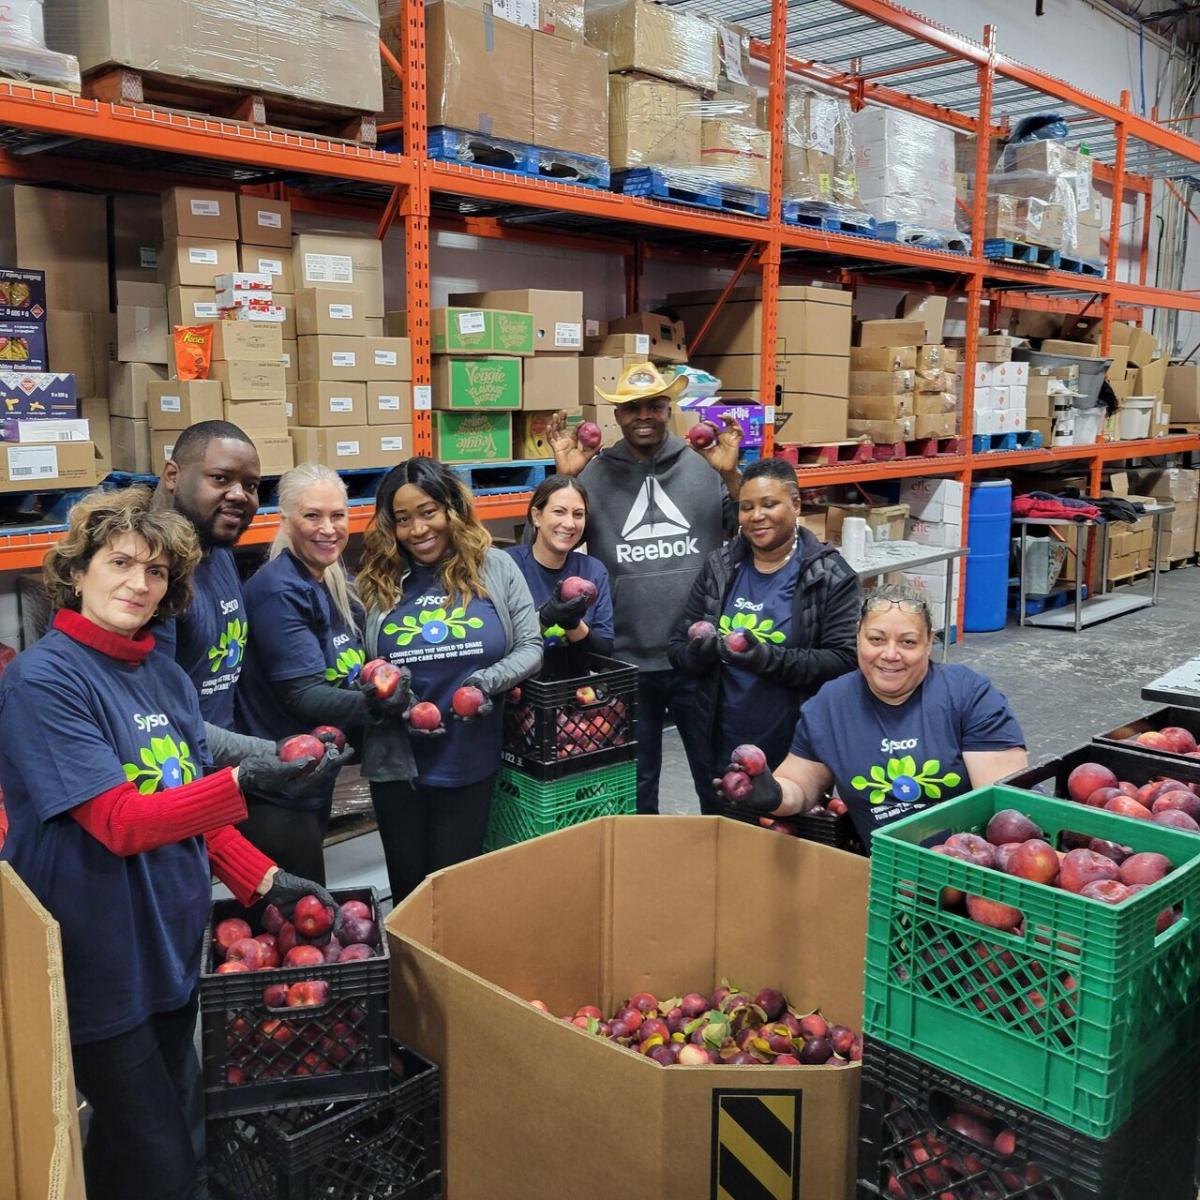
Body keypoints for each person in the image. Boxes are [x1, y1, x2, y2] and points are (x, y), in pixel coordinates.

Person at [0, 488, 333, 1200]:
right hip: (100, 957)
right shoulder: (44, 682)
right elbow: (121, 820)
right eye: (119, 562)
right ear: (77, 571)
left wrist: (265, 880)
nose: (137, 583)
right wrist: (246, 780)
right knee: (167, 1164)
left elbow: (190, 809)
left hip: (170, 946)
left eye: (156, 572)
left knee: (138, 1145)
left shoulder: (164, 676)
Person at [546, 362, 741, 814]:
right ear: (617, 416)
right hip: (624, 660)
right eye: (632, 408)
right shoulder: (593, 475)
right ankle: (642, 874)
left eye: (655, 405)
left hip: (695, 656)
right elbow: (553, 549)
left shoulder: (705, 465)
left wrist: (731, 477)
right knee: (636, 787)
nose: (644, 416)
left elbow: (748, 535)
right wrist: (567, 479)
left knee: (715, 778)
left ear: (669, 408)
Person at [356, 457, 542, 902]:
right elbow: (361, 666)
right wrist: (384, 692)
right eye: (403, 520)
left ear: (451, 510)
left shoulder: (495, 567)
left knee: (454, 894)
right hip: (399, 765)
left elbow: (531, 647)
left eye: (428, 512)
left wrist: (484, 683)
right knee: (408, 895)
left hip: (468, 756)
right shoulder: (375, 583)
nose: (418, 529)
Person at [721, 584, 1028, 849]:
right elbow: (799, 788)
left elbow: (1002, 809)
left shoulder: (968, 695)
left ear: (928, 643)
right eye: (876, 639)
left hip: (969, 873)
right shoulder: (831, 705)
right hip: (885, 877)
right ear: (858, 637)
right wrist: (771, 793)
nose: (890, 654)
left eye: (907, 642)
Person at [154, 422, 349, 830]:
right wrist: (271, 752)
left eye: (251, 484)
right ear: (172, 476)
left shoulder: (218, 552)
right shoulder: (151, 578)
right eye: (220, 478)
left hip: (221, 773)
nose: (239, 495)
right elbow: (162, 716)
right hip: (168, 784)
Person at [668, 458, 860, 811]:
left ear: (797, 505)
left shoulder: (830, 575)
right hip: (719, 739)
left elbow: (844, 660)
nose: (757, 516)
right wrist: (701, 651)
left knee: (785, 840)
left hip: (795, 747)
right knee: (723, 836)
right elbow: (677, 648)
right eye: (747, 507)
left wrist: (765, 658)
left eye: (769, 504)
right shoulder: (720, 567)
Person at [236, 464, 381, 883]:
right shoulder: (281, 591)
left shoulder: (330, 580)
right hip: (278, 791)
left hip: (311, 779)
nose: (328, 528)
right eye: (312, 516)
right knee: (299, 912)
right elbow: (303, 695)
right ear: (284, 520)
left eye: (337, 515)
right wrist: (385, 707)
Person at [506, 474, 614, 663]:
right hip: (521, 688)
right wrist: (544, 618)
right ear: (537, 516)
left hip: (577, 688)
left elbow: (603, 653)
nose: (570, 524)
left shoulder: (593, 570)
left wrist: (573, 624)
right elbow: (498, 643)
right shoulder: (507, 566)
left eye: (578, 514)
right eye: (559, 511)